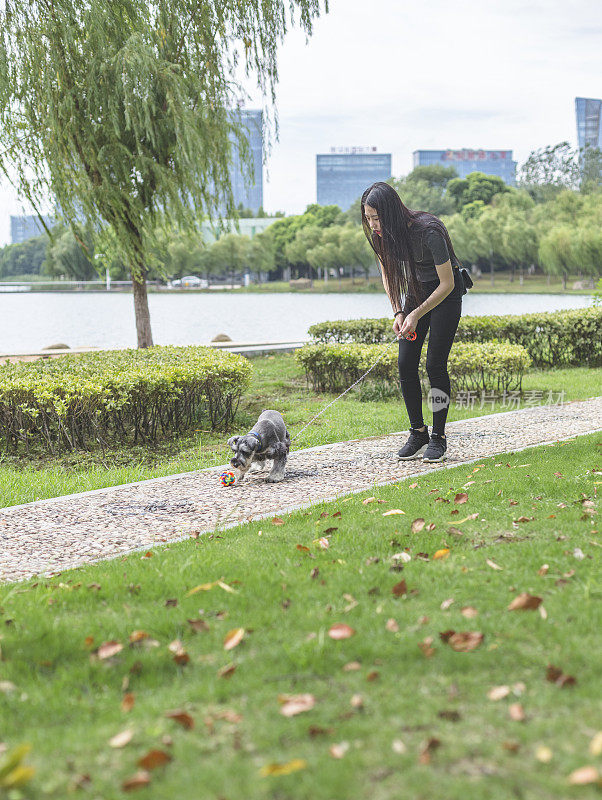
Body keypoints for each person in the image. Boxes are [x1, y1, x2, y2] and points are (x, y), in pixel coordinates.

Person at [361, 181, 464, 463]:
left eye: (376, 218)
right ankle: (418, 432)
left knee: (434, 365)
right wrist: (398, 312)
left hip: (446, 295)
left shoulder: (429, 231)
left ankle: (438, 438)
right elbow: (387, 275)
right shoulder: (382, 235)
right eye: (368, 218)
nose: (372, 225)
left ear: (391, 213)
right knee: (405, 362)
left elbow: (447, 282)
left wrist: (415, 314)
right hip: (416, 293)